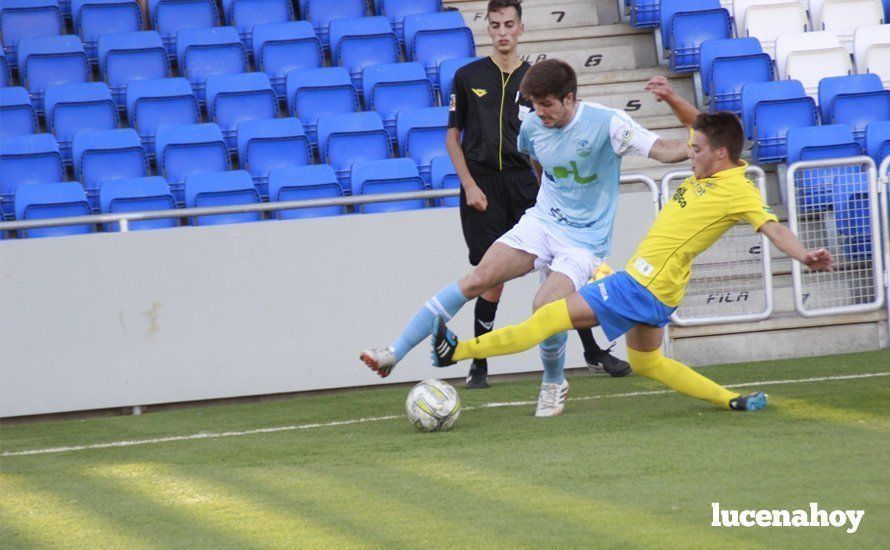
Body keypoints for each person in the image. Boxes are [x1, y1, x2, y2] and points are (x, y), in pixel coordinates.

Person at [430, 109, 836, 413]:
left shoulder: (740, 191)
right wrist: (671, 97)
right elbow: (699, 127)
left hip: (641, 285)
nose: (688, 154)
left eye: (696, 150)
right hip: (660, 289)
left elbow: (773, 228)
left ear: (721, 154)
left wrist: (803, 254)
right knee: (647, 362)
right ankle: (733, 400)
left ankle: (459, 351)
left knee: (546, 317)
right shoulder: (709, 170)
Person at [445, 0, 628, 388]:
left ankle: (592, 351)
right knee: (488, 278)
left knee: (558, 274)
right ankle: (478, 361)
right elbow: (451, 138)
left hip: (528, 182)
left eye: (509, 24)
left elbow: (558, 136)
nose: (503, 32)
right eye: (495, 25)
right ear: (487, 28)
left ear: (521, 28)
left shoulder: (538, 81)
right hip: (483, 186)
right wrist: (470, 186)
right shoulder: (466, 75)